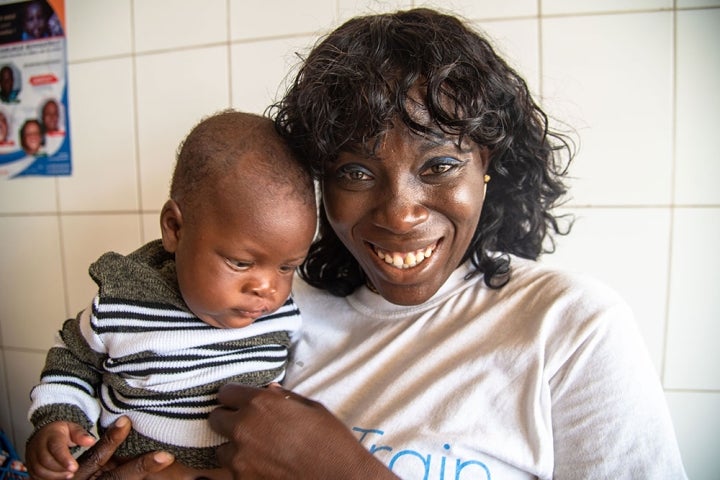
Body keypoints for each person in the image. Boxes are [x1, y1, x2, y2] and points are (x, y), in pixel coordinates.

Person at [71, 8, 687, 480]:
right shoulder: (270, 310)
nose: (400, 212)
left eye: (440, 164)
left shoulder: (569, 327)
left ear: (487, 166)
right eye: (356, 172)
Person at [25, 110, 317, 479]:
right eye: (241, 263)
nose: (267, 288)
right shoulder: (122, 305)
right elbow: (72, 362)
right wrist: (57, 422)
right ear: (175, 229)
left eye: (286, 267)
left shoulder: (285, 317)